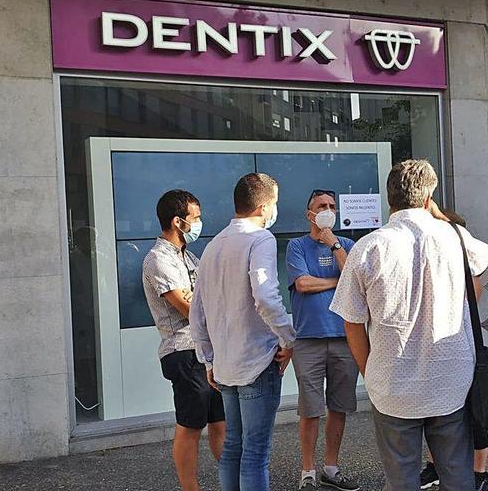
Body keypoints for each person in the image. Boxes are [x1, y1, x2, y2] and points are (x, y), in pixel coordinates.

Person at [330, 159, 488, 491]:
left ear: (389, 197)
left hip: (391, 382)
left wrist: (368, 371)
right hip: (451, 378)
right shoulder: (456, 237)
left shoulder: (367, 247)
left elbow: (352, 322)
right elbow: (478, 276)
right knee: (457, 475)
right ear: (428, 196)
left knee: (401, 478)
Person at [190, 174, 297, 491]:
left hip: (225, 364)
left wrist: (207, 358)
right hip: (257, 360)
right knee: (255, 452)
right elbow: (265, 296)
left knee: (233, 447)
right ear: (264, 206)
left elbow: (198, 310)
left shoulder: (212, 245)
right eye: (274, 204)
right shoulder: (260, 239)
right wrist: (288, 339)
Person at [418, 209, 488, 491]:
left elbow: (465, 297)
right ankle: (434, 466)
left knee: (476, 411)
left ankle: (480, 474)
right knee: (434, 412)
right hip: (436, 348)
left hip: (465, 348)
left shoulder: (470, 264)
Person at [142, 190, 225, 491]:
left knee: (220, 421)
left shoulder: (189, 256)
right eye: (196, 218)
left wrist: (203, 300)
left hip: (207, 350)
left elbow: (211, 297)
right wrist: (201, 300)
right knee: (191, 426)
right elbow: (189, 307)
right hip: (183, 352)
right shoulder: (158, 260)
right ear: (178, 222)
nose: (200, 223)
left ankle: (231, 482)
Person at [286, 189, 360, 491]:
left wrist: (334, 246)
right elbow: (302, 284)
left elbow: (355, 279)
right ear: (310, 214)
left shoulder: (347, 245)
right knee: (310, 409)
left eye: (331, 206)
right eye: (321, 206)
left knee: (339, 406)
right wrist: (336, 282)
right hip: (308, 340)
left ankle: (331, 466)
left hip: (345, 338)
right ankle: (308, 470)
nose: (327, 210)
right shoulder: (296, 246)